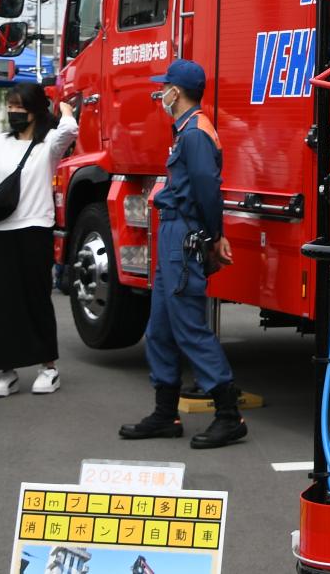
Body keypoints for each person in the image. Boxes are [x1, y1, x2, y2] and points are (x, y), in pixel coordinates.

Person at [119, 59, 245, 448]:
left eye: (165, 87)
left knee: (188, 325)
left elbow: (207, 188)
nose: (161, 93)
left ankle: (228, 415)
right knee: (159, 327)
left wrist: (213, 235)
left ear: (179, 91)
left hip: (182, 234)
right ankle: (164, 414)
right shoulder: (189, 130)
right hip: (173, 232)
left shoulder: (194, 134)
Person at [0, 82, 77, 399]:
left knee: (35, 299)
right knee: (0, 304)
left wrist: (63, 109)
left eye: (20, 107)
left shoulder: (48, 143)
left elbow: (69, 130)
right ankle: (4, 370)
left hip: (35, 228)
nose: (13, 112)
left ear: (36, 110)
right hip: (0, 231)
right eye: (10, 106)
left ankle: (48, 367)